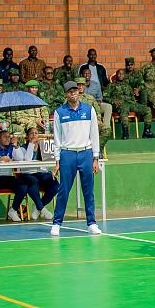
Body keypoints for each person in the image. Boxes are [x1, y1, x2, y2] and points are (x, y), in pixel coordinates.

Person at [50, 81, 101, 236]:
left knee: (88, 190)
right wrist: (57, 160)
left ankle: (92, 223)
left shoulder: (89, 110)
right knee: (63, 190)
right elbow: (57, 138)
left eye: (75, 91)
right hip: (68, 154)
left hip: (86, 153)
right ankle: (56, 223)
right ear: (66, 94)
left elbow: (94, 134)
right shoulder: (59, 112)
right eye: (69, 91)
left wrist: (96, 158)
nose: (73, 94)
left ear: (79, 92)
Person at [14, 127, 58, 221]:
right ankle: (42, 209)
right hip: (28, 174)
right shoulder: (22, 148)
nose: (34, 135)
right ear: (27, 136)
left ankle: (38, 206)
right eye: (31, 133)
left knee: (55, 185)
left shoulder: (43, 147)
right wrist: (31, 144)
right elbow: (27, 160)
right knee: (32, 182)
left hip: (42, 173)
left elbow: (49, 161)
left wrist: (52, 170)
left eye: (36, 133)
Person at [105, 70, 155, 139]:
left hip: (131, 103)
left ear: (124, 75)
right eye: (119, 74)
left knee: (147, 109)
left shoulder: (128, 86)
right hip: (119, 104)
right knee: (124, 109)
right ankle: (125, 133)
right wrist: (113, 101)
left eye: (122, 74)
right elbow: (105, 97)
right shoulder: (111, 85)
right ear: (116, 75)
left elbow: (132, 97)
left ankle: (147, 131)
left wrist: (136, 96)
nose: (121, 75)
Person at [77, 77, 114, 149]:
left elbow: (97, 109)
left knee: (106, 129)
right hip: (78, 123)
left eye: (82, 85)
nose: (80, 87)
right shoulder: (71, 98)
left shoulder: (90, 98)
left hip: (91, 122)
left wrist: (98, 118)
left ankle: (98, 148)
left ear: (85, 86)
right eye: (78, 85)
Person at [81, 68, 113, 139]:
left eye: (88, 73)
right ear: (82, 75)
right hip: (84, 107)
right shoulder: (79, 85)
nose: (87, 75)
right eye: (85, 73)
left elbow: (100, 97)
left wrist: (98, 102)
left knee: (108, 106)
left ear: (91, 75)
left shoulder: (96, 84)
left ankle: (105, 128)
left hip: (95, 104)